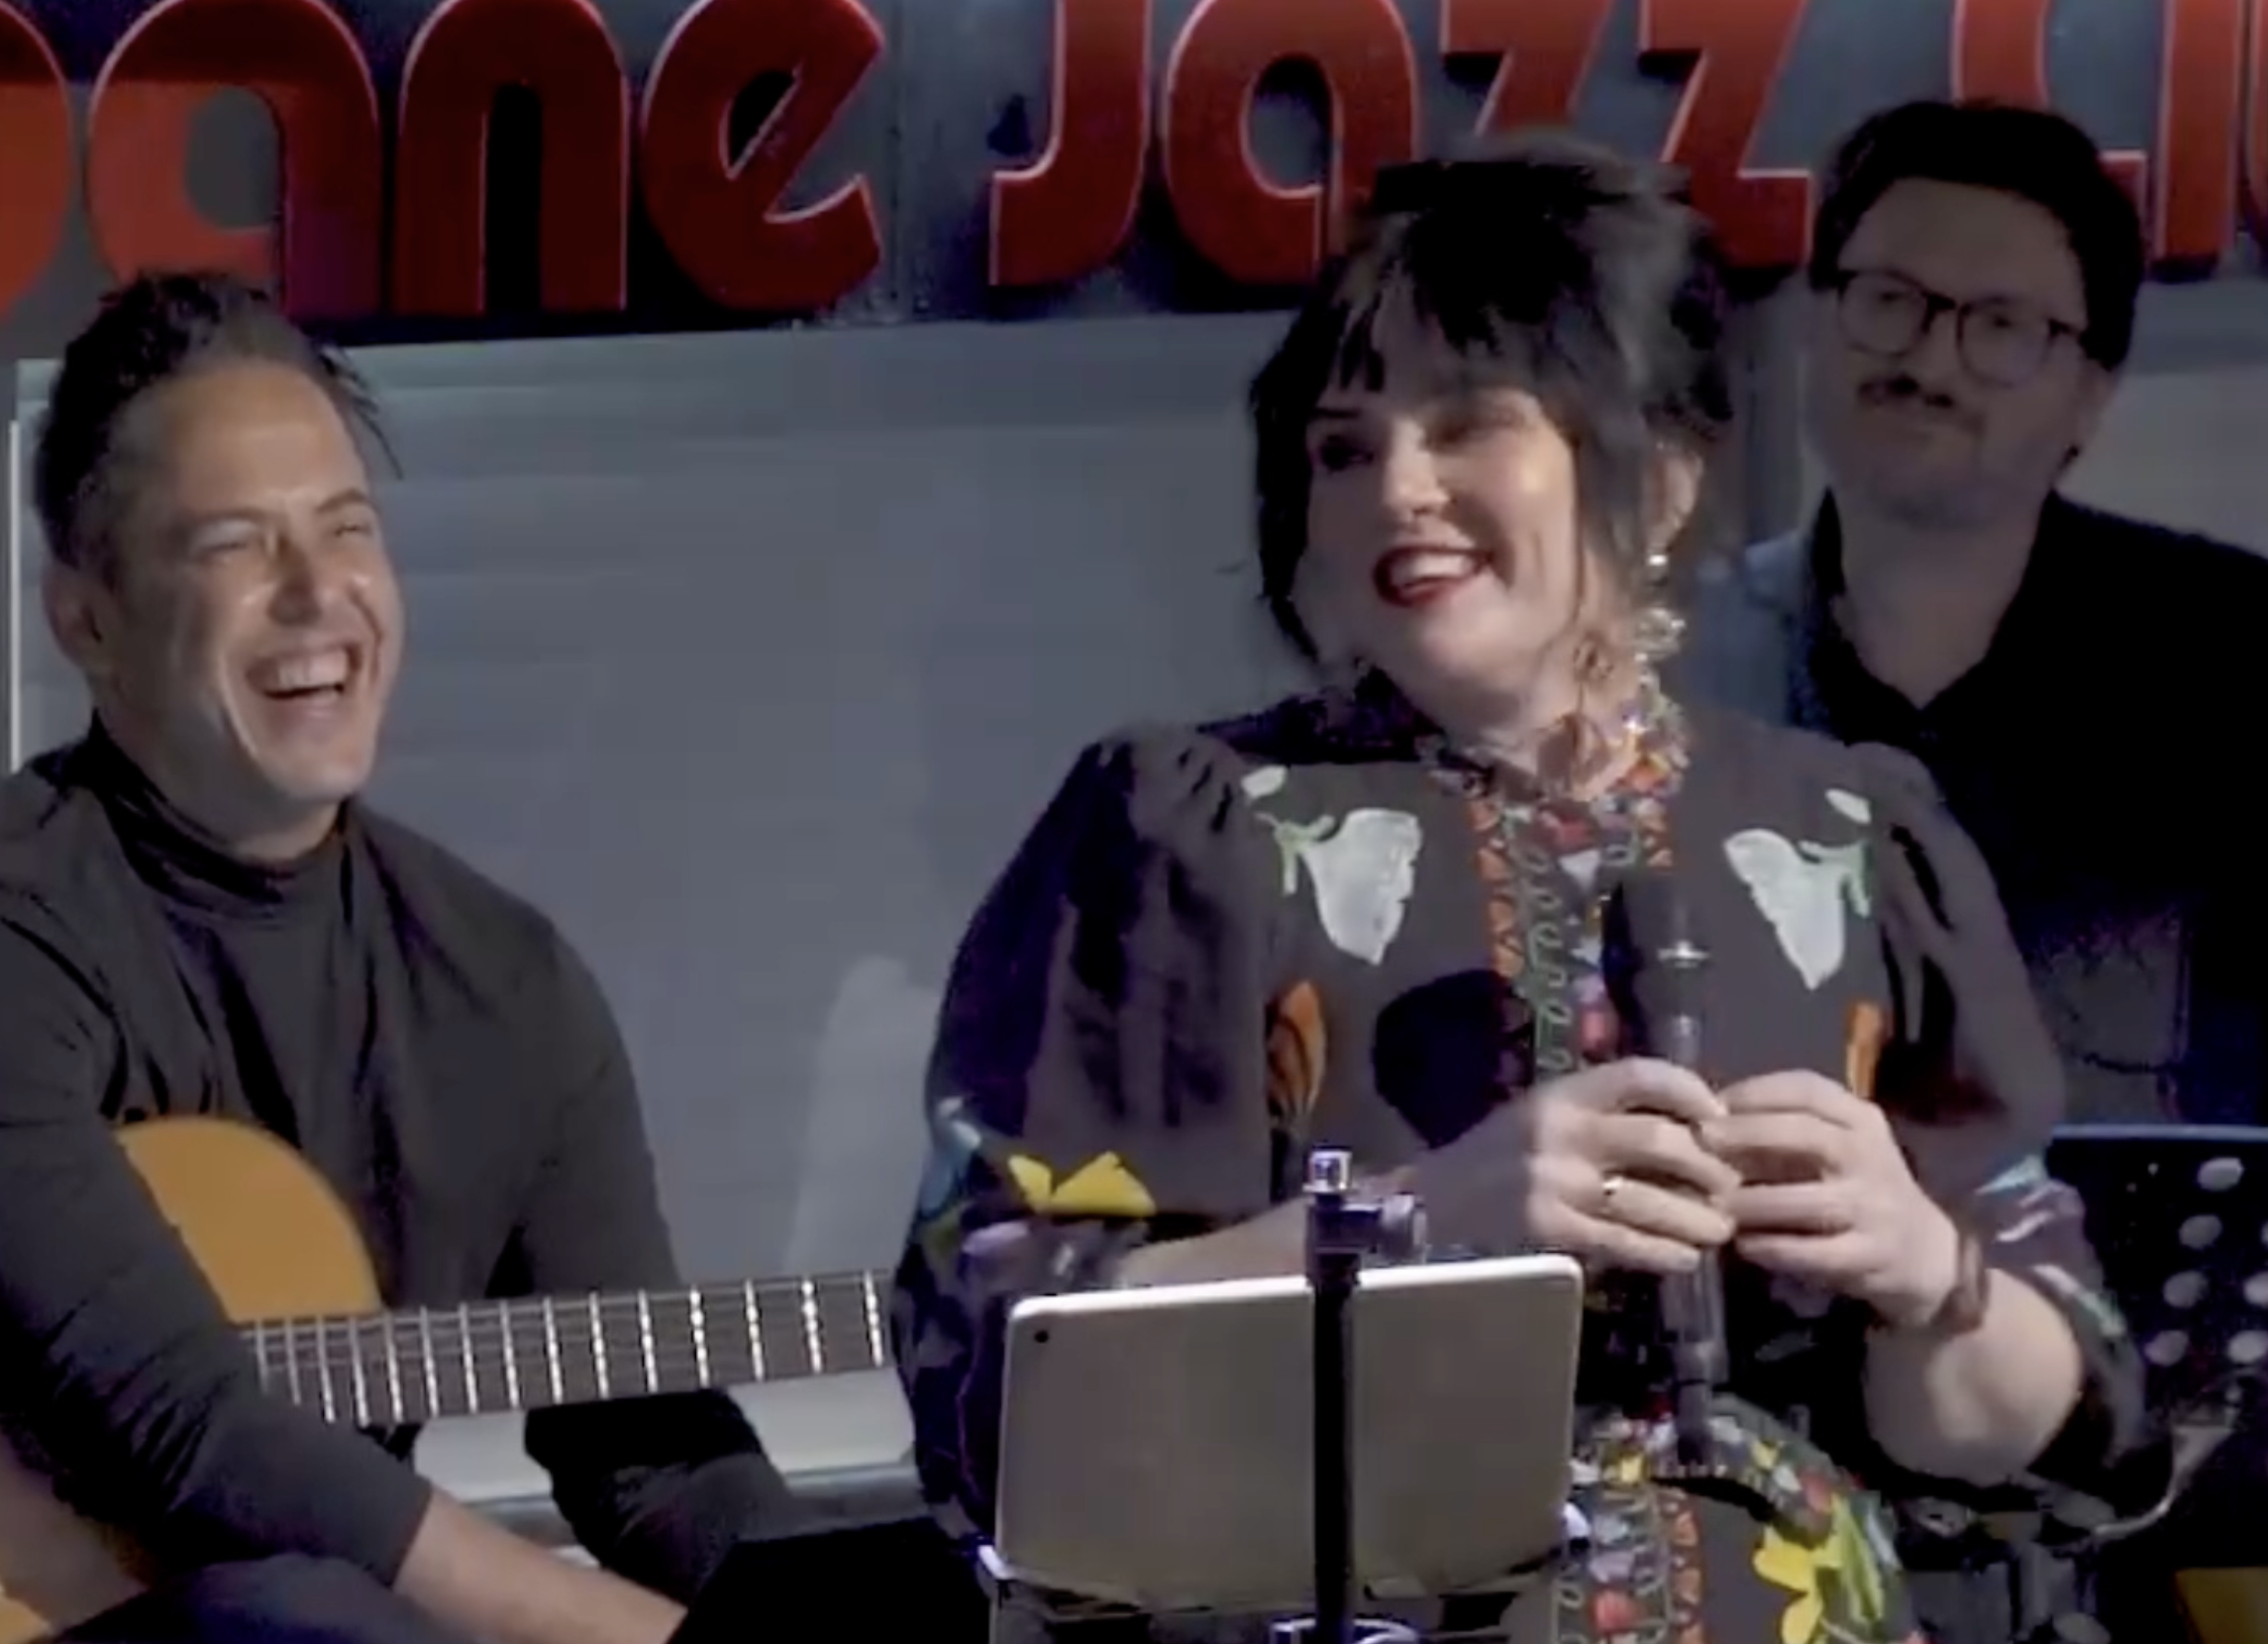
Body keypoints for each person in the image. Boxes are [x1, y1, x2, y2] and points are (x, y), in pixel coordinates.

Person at [890, 134, 2148, 1644]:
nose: (1397, 488)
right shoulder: (1184, 834)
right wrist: (1420, 1224)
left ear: (1661, 473)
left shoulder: (1848, 838)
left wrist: (1924, 1271)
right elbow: (988, 1372)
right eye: (1344, 446)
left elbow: (2032, 1433)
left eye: (1467, 423)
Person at [0, 272, 807, 1644]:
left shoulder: (505, 987)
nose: (319, 596)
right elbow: (190, 1433)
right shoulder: (23, 924)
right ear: (87, 622)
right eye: (237, 546)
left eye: (348, 530)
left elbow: (653, 1449)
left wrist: (811, 1608)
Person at [1676, 99, 2268, 1130]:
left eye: (2000, 325)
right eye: (1889, 299)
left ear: (2091, 392)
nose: (1931, 361)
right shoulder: (1659, 666)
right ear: (1818, 317)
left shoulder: (2240, 660)